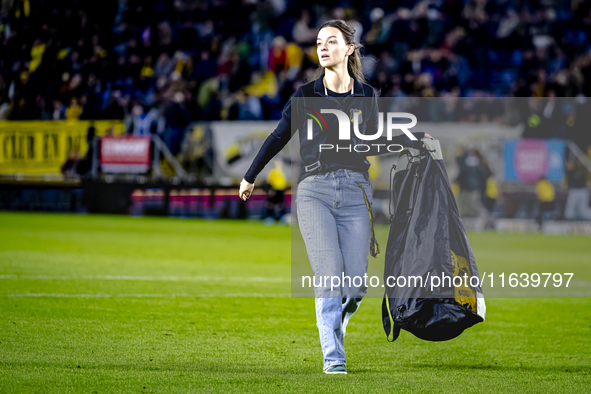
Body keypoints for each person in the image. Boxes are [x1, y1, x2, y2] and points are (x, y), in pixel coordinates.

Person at [238, 20, 432, 375]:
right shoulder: (305, 96)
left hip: (357, 190)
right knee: (329, 277)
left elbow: (372, 140)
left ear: (349, 49)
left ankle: (335, 323)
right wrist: (250, 175)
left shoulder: (366, 96)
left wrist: (413, 139)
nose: (322, 47)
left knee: (356, 287)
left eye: (331, 41)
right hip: (314, 191)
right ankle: (334, 358)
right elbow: (279, 136)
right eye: (318, 42)